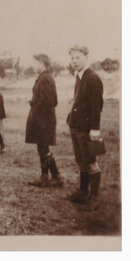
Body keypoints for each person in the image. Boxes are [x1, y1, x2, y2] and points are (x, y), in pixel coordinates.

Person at [66, 45, 104, 210]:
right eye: (72, 58)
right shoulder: (79, 77)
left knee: (89, 161)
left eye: (78, 57)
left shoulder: (93, 78)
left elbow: (97, 106)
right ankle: (82, 192)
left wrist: (94, 129)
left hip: (86, 128)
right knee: (81, 160)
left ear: (86, 57)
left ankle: (94, 197)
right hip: (75, 126)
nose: (74, 61)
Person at [25, 54, 63, 188]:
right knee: (42, 147)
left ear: (42, 63)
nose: (33, 65)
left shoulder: (45, 78)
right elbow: (54, 100)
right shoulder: (47, 77)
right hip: (44, 119)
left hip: (42, 120)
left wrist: (34, 105)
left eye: (35, 62)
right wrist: (33, 102)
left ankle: (56, 177)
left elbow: (46, 101)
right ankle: (45, 176)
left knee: (43, 148)